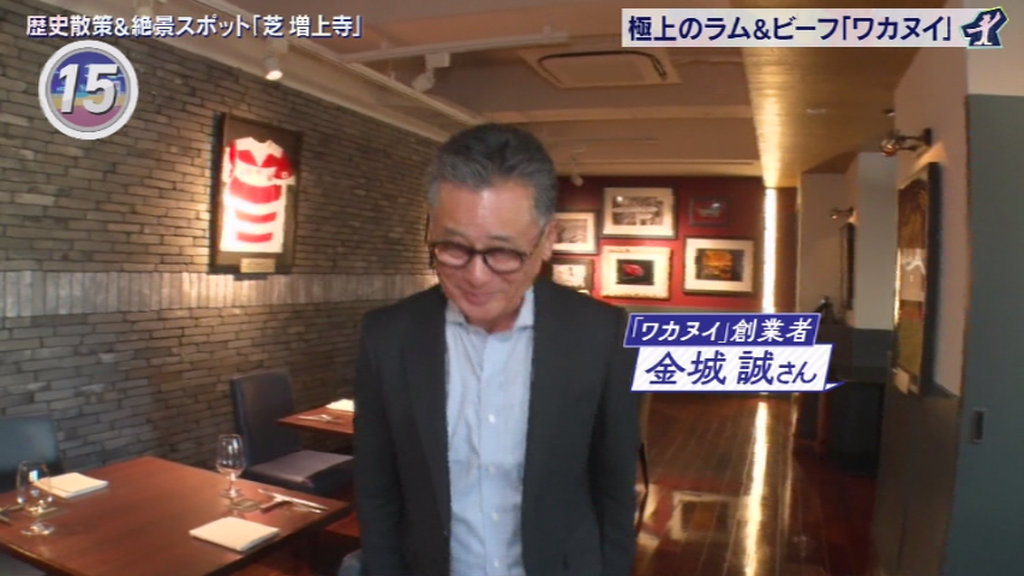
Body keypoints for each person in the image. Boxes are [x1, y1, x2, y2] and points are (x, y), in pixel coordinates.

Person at [353, 123, 640, 576]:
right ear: (430, 228)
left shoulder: (602, 335)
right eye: (453, 247)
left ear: (547, 239)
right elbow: (377, 491)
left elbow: (615, 490)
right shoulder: (387, 337)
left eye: (503, 253)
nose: (476, 276)